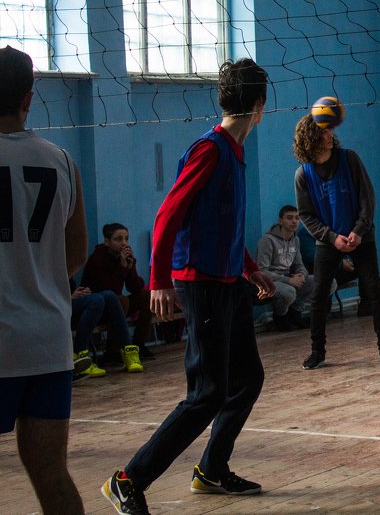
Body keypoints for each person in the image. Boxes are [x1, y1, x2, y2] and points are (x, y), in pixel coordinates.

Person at [102, 58, 276, 515]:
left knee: (248, 378)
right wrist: (159, 280)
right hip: (200, 285)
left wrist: (251, 267)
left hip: (229, 282)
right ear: (259, 105)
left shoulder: (235, 154)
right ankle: (128, 480)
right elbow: (167, 215)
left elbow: (222, 223)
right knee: (207, 394)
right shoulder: (210, 150)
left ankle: (212, 469)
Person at [0, 45, 88, 514]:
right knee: (50, 470)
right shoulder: (61, 160)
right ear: (29, 99)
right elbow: (76, 252)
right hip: (48, 340)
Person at [292, 114, 380, 369]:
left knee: (374, 289)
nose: (330, 135)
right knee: (318, 295)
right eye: (324, 132)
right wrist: (330, 237)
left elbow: (367, 198)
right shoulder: (303, 174)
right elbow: (306, 214)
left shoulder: (349, 159)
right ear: (311, 139)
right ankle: (317, 351)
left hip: (361, 235)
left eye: (329, 131)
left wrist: (359, 231)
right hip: (328, 240)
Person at [81, 222, 154, 363]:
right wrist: (121, 267)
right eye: (118, 239)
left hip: (118, 304)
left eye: (126, 238)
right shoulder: (97, 259)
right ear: (107, 242)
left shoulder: (125, 258)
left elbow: (135, 287)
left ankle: (139, 343)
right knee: (121, 300)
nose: (124, 243)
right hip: (98, 308)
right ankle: (113, 351)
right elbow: (109, 293)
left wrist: (130, 267)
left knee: (147, 295)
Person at [256, 205, 314, 330]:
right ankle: (280, 317)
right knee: (289, 291)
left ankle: (295, 312)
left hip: (289, 278)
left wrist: (301, 275)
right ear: (280, 220)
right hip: (272, 281)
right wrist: (288, 280)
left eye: (297, 218)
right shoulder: (267, 240)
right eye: (289, 218)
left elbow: (299, 264)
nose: (294, 221)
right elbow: (262, 271)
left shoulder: (295, 240)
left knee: (326, 283)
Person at [71, 278, 142, 377]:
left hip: (74, 301)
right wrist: (70, 297)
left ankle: (129, 352)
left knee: (110, 295)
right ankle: (81, 357)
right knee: (97, 299)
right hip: (63, 305)